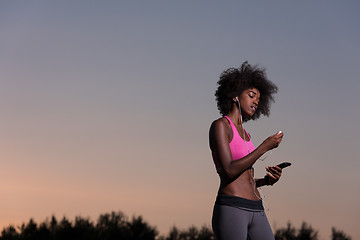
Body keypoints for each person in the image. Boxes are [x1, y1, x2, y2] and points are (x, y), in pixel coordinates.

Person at [209, 62, 284, 240]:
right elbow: (228, 171)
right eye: (251, 96)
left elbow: (243, 179)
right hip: (232, 208)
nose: (256, 102)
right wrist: (264, 147)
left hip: (257, 209)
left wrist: (266, 181)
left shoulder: (247, 134)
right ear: (235, 95)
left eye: (258, 99)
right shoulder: (221, 126)